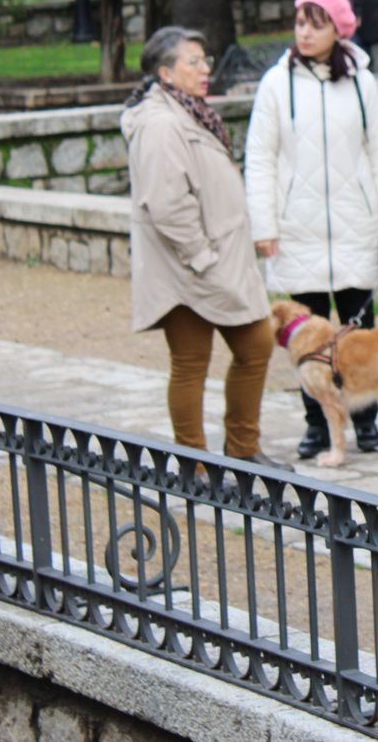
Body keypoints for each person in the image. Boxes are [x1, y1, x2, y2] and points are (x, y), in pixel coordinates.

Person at [244, 0, 378, 461]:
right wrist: (265, 226)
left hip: (357, 225)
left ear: (339, 28)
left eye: (316, 24)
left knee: (360, 329)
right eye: (300, 23)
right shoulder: (276, 84)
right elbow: (260, 157)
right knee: (305, 336)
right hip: (298, 230)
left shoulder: (361, 82)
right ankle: (316, 422)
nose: (306, 32)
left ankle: (365, 418)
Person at [121, 26, 289, 470]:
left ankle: (242, 449)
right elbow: (165, 202)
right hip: (187, 268)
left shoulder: (188, 112)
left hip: (216, 262)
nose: (204, 69)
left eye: (204, 60)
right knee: (192, 363)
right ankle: (194, 466)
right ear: (165, 73)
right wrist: (200, 255)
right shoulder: (159, 122)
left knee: (255, 345)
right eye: (192, 62)